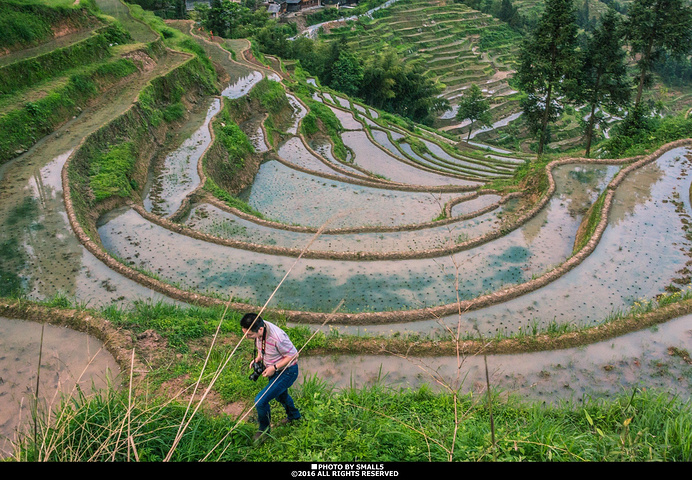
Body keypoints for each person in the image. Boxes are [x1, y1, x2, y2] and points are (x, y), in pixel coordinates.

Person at [240, 312, 301, 442]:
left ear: (260, 329)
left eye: (249, 334)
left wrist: (273, 368)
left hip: (287, 371)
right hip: (274, 368)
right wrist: (258, 358)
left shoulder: (278, 338)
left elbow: (294, 356)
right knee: (280, 396)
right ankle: (294, 416)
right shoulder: (260, 327)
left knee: (260, 401)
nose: (246, 337)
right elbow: (261, 345)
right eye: (245, 333)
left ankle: (264, 430)